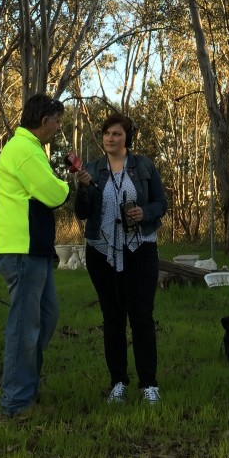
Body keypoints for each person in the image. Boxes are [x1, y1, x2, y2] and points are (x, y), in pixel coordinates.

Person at [74, 112, 168, 404]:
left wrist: (145, 213)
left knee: (142, 316)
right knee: (112, 319)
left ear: (127, 138)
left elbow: (161, 202)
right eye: (106, 134)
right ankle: (118, 383)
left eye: (116, 134)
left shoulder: (143, 166)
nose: (110, 138)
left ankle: (148, 384)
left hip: (140, 249)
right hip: (102, 251)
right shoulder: (91, 169)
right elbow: (82, 212)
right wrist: (84, 188)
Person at [0, 93, 70, 420]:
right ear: (44, 121)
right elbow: (52, 193)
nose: (58, 128)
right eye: (57, 122)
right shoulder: (24, 150)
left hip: (33, 249)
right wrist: (66, 184)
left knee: (46, 318)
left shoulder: (30, 148)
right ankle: (16, 404)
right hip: (21, 250)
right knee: (25, 327)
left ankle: (27, 388)